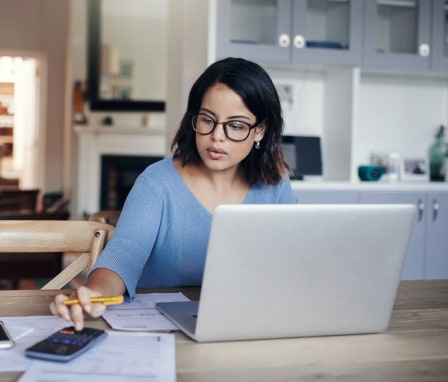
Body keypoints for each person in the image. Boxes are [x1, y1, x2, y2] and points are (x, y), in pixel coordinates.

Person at [50, 57, 295, 329]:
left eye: (236, 125)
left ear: (259, 130)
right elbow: (123, 256)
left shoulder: (275, 184)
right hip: (160, 331)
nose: (217, 136)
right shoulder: (156, 183)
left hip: (244, 326)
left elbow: (290, 265)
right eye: (207, 120)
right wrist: (94, 293)